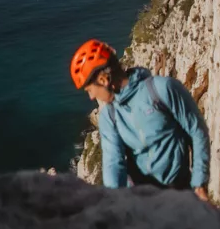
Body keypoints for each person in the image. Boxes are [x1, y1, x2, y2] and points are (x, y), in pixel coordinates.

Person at [71, 39, 210, 201]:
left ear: (103, 80)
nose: (91, 97)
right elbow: (113, 164)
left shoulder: (162, 89)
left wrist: (199, 184)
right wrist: (114, 204)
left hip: (180, 192)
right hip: (142, 201)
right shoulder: (109, 117)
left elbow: (196, 130)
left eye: (89, 90)